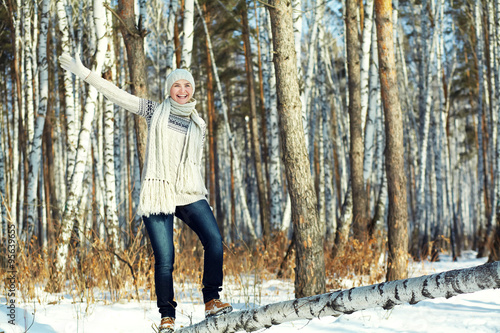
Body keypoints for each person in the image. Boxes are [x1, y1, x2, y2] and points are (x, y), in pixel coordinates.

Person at [59, 53, 233, 333]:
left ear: (192, 91)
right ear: (169, 90)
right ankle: (167, 316)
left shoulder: (197, 123)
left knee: (214, 241)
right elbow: (117, 94)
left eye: (187, 86)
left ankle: (212, 299)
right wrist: (85, 73)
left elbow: (192, 162)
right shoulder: (154, 110)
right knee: (165, 260)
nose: (182, 90)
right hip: (158, 193)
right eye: (177, 86)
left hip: (189, 192)